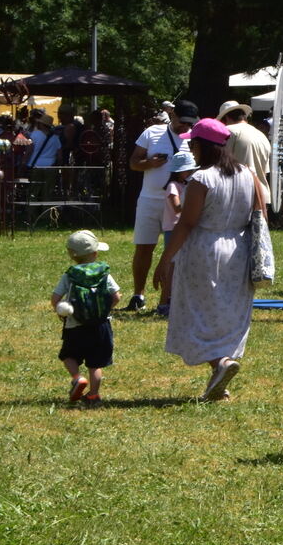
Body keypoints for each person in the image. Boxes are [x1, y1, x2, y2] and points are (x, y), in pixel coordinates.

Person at [152, 118, 262, 401]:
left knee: (198, 311)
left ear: (201, 146)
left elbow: (186, 223)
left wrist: (165, 260)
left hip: (204, 248)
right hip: (239, 248)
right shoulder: (248, 174)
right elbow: (260, 214)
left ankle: (219, 364)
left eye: (192, 144)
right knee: (228, 311)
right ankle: (220, 378)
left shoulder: (202, 178)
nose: (191, 149)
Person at [127, 99, 198, 311]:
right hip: (150, 198)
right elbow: (133, 163)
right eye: (182, 122)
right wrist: (150, 163)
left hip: (179, 202)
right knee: (144, 246)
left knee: (174, 251)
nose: (185, 127)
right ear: (173, 115)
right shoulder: (152, 132)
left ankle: (169, 298)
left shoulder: (194, 137)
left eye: (189, 123)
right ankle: (138, 294)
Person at [50, 230, 121, 405]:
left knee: (68, 355)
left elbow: (55, 299)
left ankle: (77, 378)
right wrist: (104, 311)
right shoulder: (103, 272)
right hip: (101, 326)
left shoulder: (70, 274)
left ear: (72, 255)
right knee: (95, 363)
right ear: (95, 253)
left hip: (75, 325)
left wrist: (61, 311)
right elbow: (117, 296)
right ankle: (94, 395)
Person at [156, 150, 198, 317]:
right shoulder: (173, 186)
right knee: (171, 268)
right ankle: (163, 302)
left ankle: (173, 300)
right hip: (174, 230)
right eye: (188, 170)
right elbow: (177, 207)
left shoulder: (185, 185)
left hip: (182, 229)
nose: (191, 173)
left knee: (180, 267)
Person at [218, 100, 271, 208]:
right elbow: (264, 172)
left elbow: (220, 164)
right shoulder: (261, 135)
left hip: (238, 197)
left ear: (226, 118)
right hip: (261, 196)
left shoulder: (228, 131)